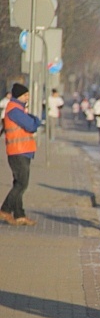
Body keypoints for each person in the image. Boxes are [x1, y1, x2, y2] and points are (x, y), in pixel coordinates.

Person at [0, 83, 42, 226]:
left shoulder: (18, 109)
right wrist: (36, 120)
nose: (28, 97)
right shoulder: (15, 110)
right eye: (25, 95)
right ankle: (5, 209)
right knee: (22, 184)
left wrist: (33, 119)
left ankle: (19, 215)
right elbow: (31, 125)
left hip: (22, 150)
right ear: (18, 96)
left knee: (18, 183)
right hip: (18, 151)